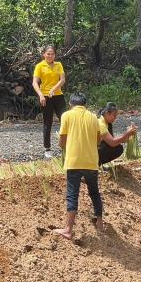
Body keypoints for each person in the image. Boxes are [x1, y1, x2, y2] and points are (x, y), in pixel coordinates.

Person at [53, 92, 103, 240]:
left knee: (72, 194)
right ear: (85, 104)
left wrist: (63, 145)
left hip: (74, 161)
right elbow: (98, 141)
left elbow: (62, 141)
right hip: (91, 162)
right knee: (94, 192)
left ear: (71, 104)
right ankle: (100, 224)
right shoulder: (93, 117)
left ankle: (68, 229)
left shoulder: (66, 115)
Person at [32, 46, 66, 159]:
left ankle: (66, 145)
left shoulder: (58, 65)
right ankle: (47, 148)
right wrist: (41, 95)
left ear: (55, 55)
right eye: (48, 53)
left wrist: (54, 89)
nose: (50, 56)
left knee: (65, 119)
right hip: (45, 97)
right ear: (44, 54)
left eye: (52, 54)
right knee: (48, 122)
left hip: (58, 96)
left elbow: (62, 80)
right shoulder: (39, 66)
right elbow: (35, 82)